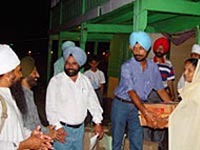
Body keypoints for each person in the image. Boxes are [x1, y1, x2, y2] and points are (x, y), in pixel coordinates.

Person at [111, 31, 172, 150]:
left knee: (137, 138)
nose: (138, 52)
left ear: (148, 49)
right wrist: (145, 112)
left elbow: (160, 89)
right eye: (135, 48)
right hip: (121, 105)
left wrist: (172, 108)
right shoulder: (126, 66)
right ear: (131, 48)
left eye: (141, 48)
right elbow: (131, 91)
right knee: (117, 139)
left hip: (138, 107)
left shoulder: (153, 67)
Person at [46, 46, 104, 149]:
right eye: (67, 63)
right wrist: (58, 127)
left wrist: (98, 122)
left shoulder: (85, 81)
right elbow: (50, 108)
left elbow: (92, 102)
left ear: (80, 65)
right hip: (62, 130)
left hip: (79, 130)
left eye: (74, 64)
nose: (70, 66)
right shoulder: (56, 81)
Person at [0, 44, 53, 150]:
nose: (21, 75)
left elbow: (16, 129)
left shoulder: (9, 95)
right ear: (8, 74)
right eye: (19, 70)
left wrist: (34, 137)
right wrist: (22, 146)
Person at [10, 56, 55, 137]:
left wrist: (46, 129)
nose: (38, 75)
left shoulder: (26, 93)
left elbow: (35, 122)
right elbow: (29, 126)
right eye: (34, 73)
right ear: (26, 75)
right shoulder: (23, 96)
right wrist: (47, 131)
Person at [145, 37, 175, 150]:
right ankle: (147, 143)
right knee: (147, 117)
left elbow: (170, 81)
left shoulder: (168, 64)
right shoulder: (148, 63)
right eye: (158, 47)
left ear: (165, 50)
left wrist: (172, 95)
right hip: (149, 94)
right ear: (154, 49)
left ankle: (157, 144)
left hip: (163, 95)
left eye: (162, 48)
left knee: (161, 119)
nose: (160, 50)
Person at [169, 58, 200, 150]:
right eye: (185, 69)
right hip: (186, 131)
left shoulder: (198, 89)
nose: (185, 73)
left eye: (189, 71)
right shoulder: (189, 87)